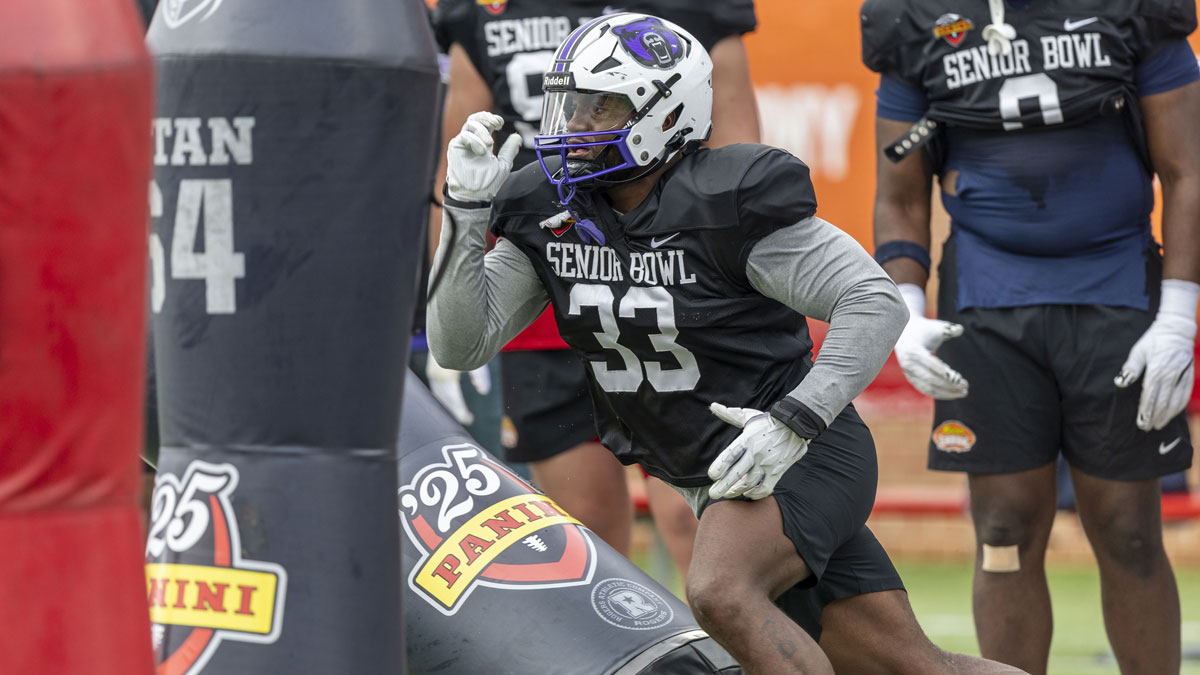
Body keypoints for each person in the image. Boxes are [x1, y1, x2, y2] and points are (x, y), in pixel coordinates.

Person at [427, 13, 1024, 673]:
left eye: (602, 105)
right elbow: (461, 341)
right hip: (714, 470)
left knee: (719, 589)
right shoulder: (554, 209)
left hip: (800, 452)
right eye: (572, 102)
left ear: (663, 110)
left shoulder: (724, 201)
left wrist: (794, 422)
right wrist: (464, 211)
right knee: (913, 665)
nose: (577, 123)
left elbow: (873, 300)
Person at [861, 1, 1199, 672]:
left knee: (1129, 530)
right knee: (1003, 529)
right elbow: (899, 188)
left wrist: (1179, 314)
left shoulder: (1129, 10)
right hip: (986, 301)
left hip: (1115, 290)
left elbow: (1188, 171)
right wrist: (903, 303)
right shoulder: (916, 19)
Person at [428, 0, 760, 573]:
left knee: (700, 516)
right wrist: (458, 296)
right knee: (582, 531)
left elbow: (737, 153)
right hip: (545, 273)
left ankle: (737, 657)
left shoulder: (692, 9)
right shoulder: (481, 11)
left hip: (666, 280)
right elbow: (457, 162)